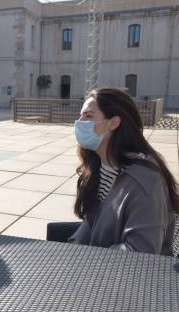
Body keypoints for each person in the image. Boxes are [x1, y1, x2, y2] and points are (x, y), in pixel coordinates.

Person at [69, 87, 178, 255]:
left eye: (88, 116)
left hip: (126, 277)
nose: (79, 121)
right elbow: (91, 222)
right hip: (94, 266)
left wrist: (86, 259)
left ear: (114, 123)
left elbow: (141, 253)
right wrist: (71, 251)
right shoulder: (99, 164)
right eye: (80, 115)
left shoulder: (145, 180)